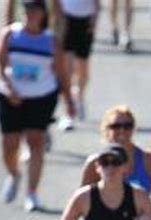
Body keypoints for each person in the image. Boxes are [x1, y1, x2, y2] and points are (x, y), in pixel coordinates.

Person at [0, 0, 74, 211]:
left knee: (35, 141)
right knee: (10, 143)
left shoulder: (50, 41)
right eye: (28, 10)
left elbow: (61, 73)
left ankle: (32, 192)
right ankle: (13, 174)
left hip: (41, 96)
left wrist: (69, 101)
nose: (31, 14)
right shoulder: (10, 34)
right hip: (10, 96)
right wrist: (8, 88)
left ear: (42, 14)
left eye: (36, 10)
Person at [58, 0, 100, 130]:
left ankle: (79, 97)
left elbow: (97, 3)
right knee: (67, 69)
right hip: (66, 20)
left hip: (85, 21)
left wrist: (94, 19)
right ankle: (68, 112)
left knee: (83, 69)